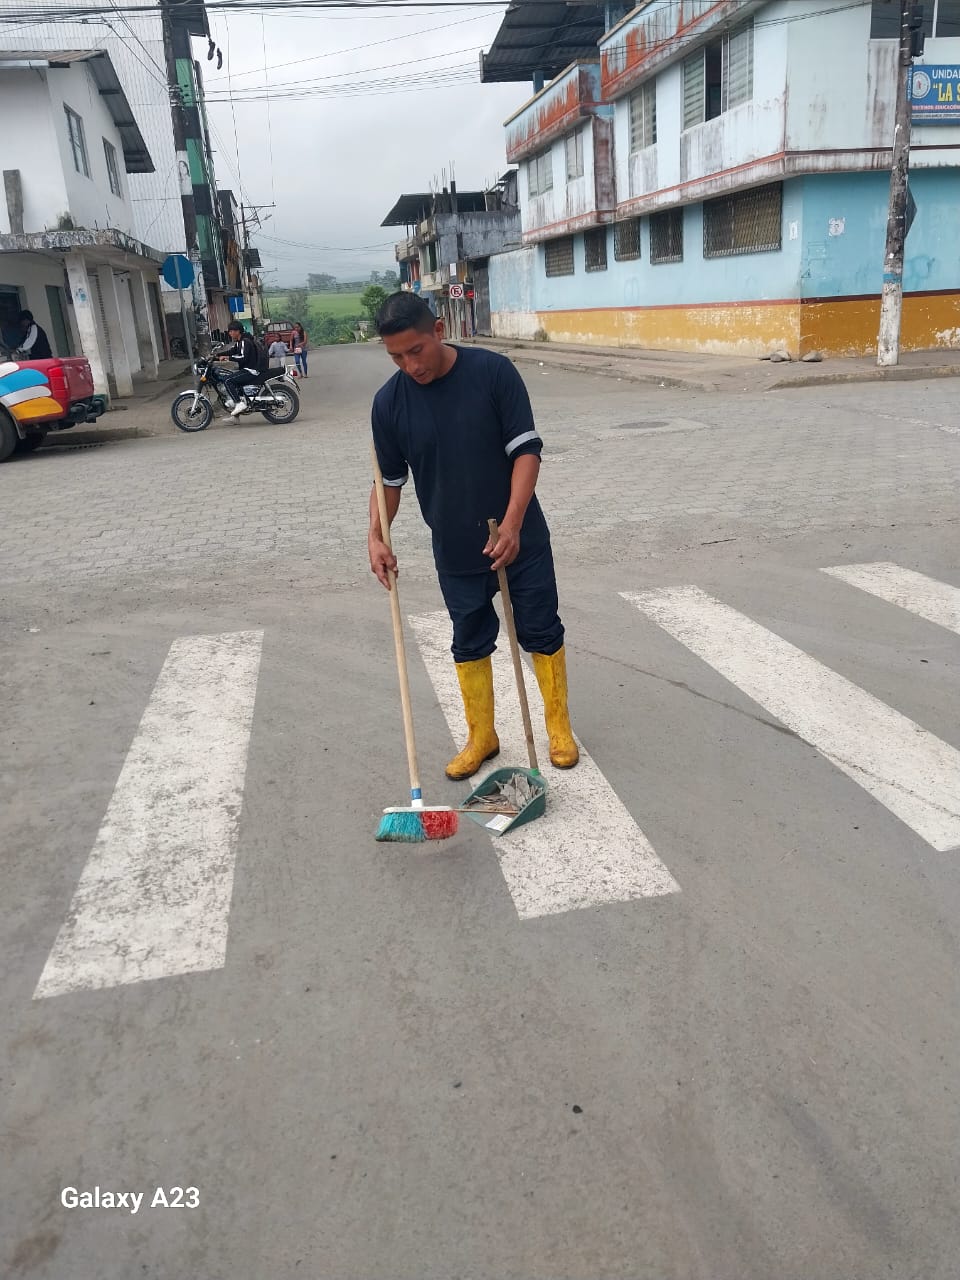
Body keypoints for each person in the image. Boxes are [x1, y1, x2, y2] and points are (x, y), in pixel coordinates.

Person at [368, 291, 578, 779]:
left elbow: (526, 452)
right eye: (396, 357)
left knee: (541, 629)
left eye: (416, 350)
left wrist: (513, 523)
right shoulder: (389, 403)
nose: (410, 365)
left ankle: (558, 727)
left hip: (520, 538)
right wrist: (376, 536)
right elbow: (388, 482)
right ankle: (482, 735)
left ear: (439, 331)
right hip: (455, 546)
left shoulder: (493, 373)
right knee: (468, 639)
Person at [218, 321, 263, 417]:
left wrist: (228, 358)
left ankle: (239, 403)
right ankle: (235, 416)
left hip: (250, 370)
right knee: (230, 377)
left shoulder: (245, 341)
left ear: (238, 331)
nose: (230, 333)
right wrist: (216, 356)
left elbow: (243, 357)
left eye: (231, 331)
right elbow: (232, 351)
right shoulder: (240, 341)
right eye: (229, 331)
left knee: (227, 380)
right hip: (247, 369)